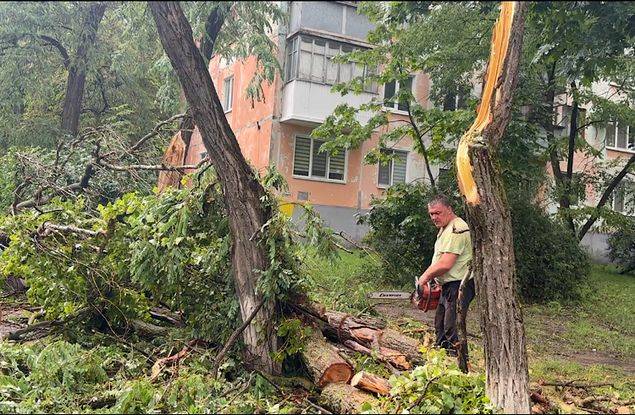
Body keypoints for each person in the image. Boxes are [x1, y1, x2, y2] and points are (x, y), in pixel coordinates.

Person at [418, 194, 475, 355]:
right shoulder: (446, 228)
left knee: (452, 327)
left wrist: (425, 278)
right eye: (431, 214)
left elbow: (446, 263)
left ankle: (460, 362)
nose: (434, 217)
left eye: (438, 213)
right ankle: (442, 360)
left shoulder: (457, 229)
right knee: (440, 326)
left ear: (449, 210)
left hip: (460, 284)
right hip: (448, 284)